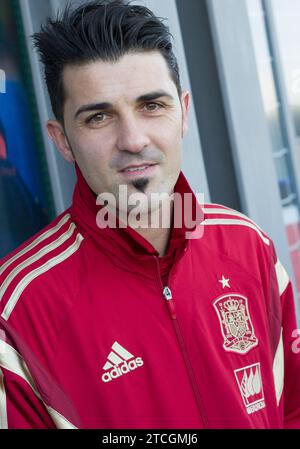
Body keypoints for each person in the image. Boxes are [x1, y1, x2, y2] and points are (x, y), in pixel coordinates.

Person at [0, 0, 299, 429]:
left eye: (152, 105)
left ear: (184, 113)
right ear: (62, 140)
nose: (133, 139)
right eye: (99, 117)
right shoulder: (18, 310)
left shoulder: (248, 245)